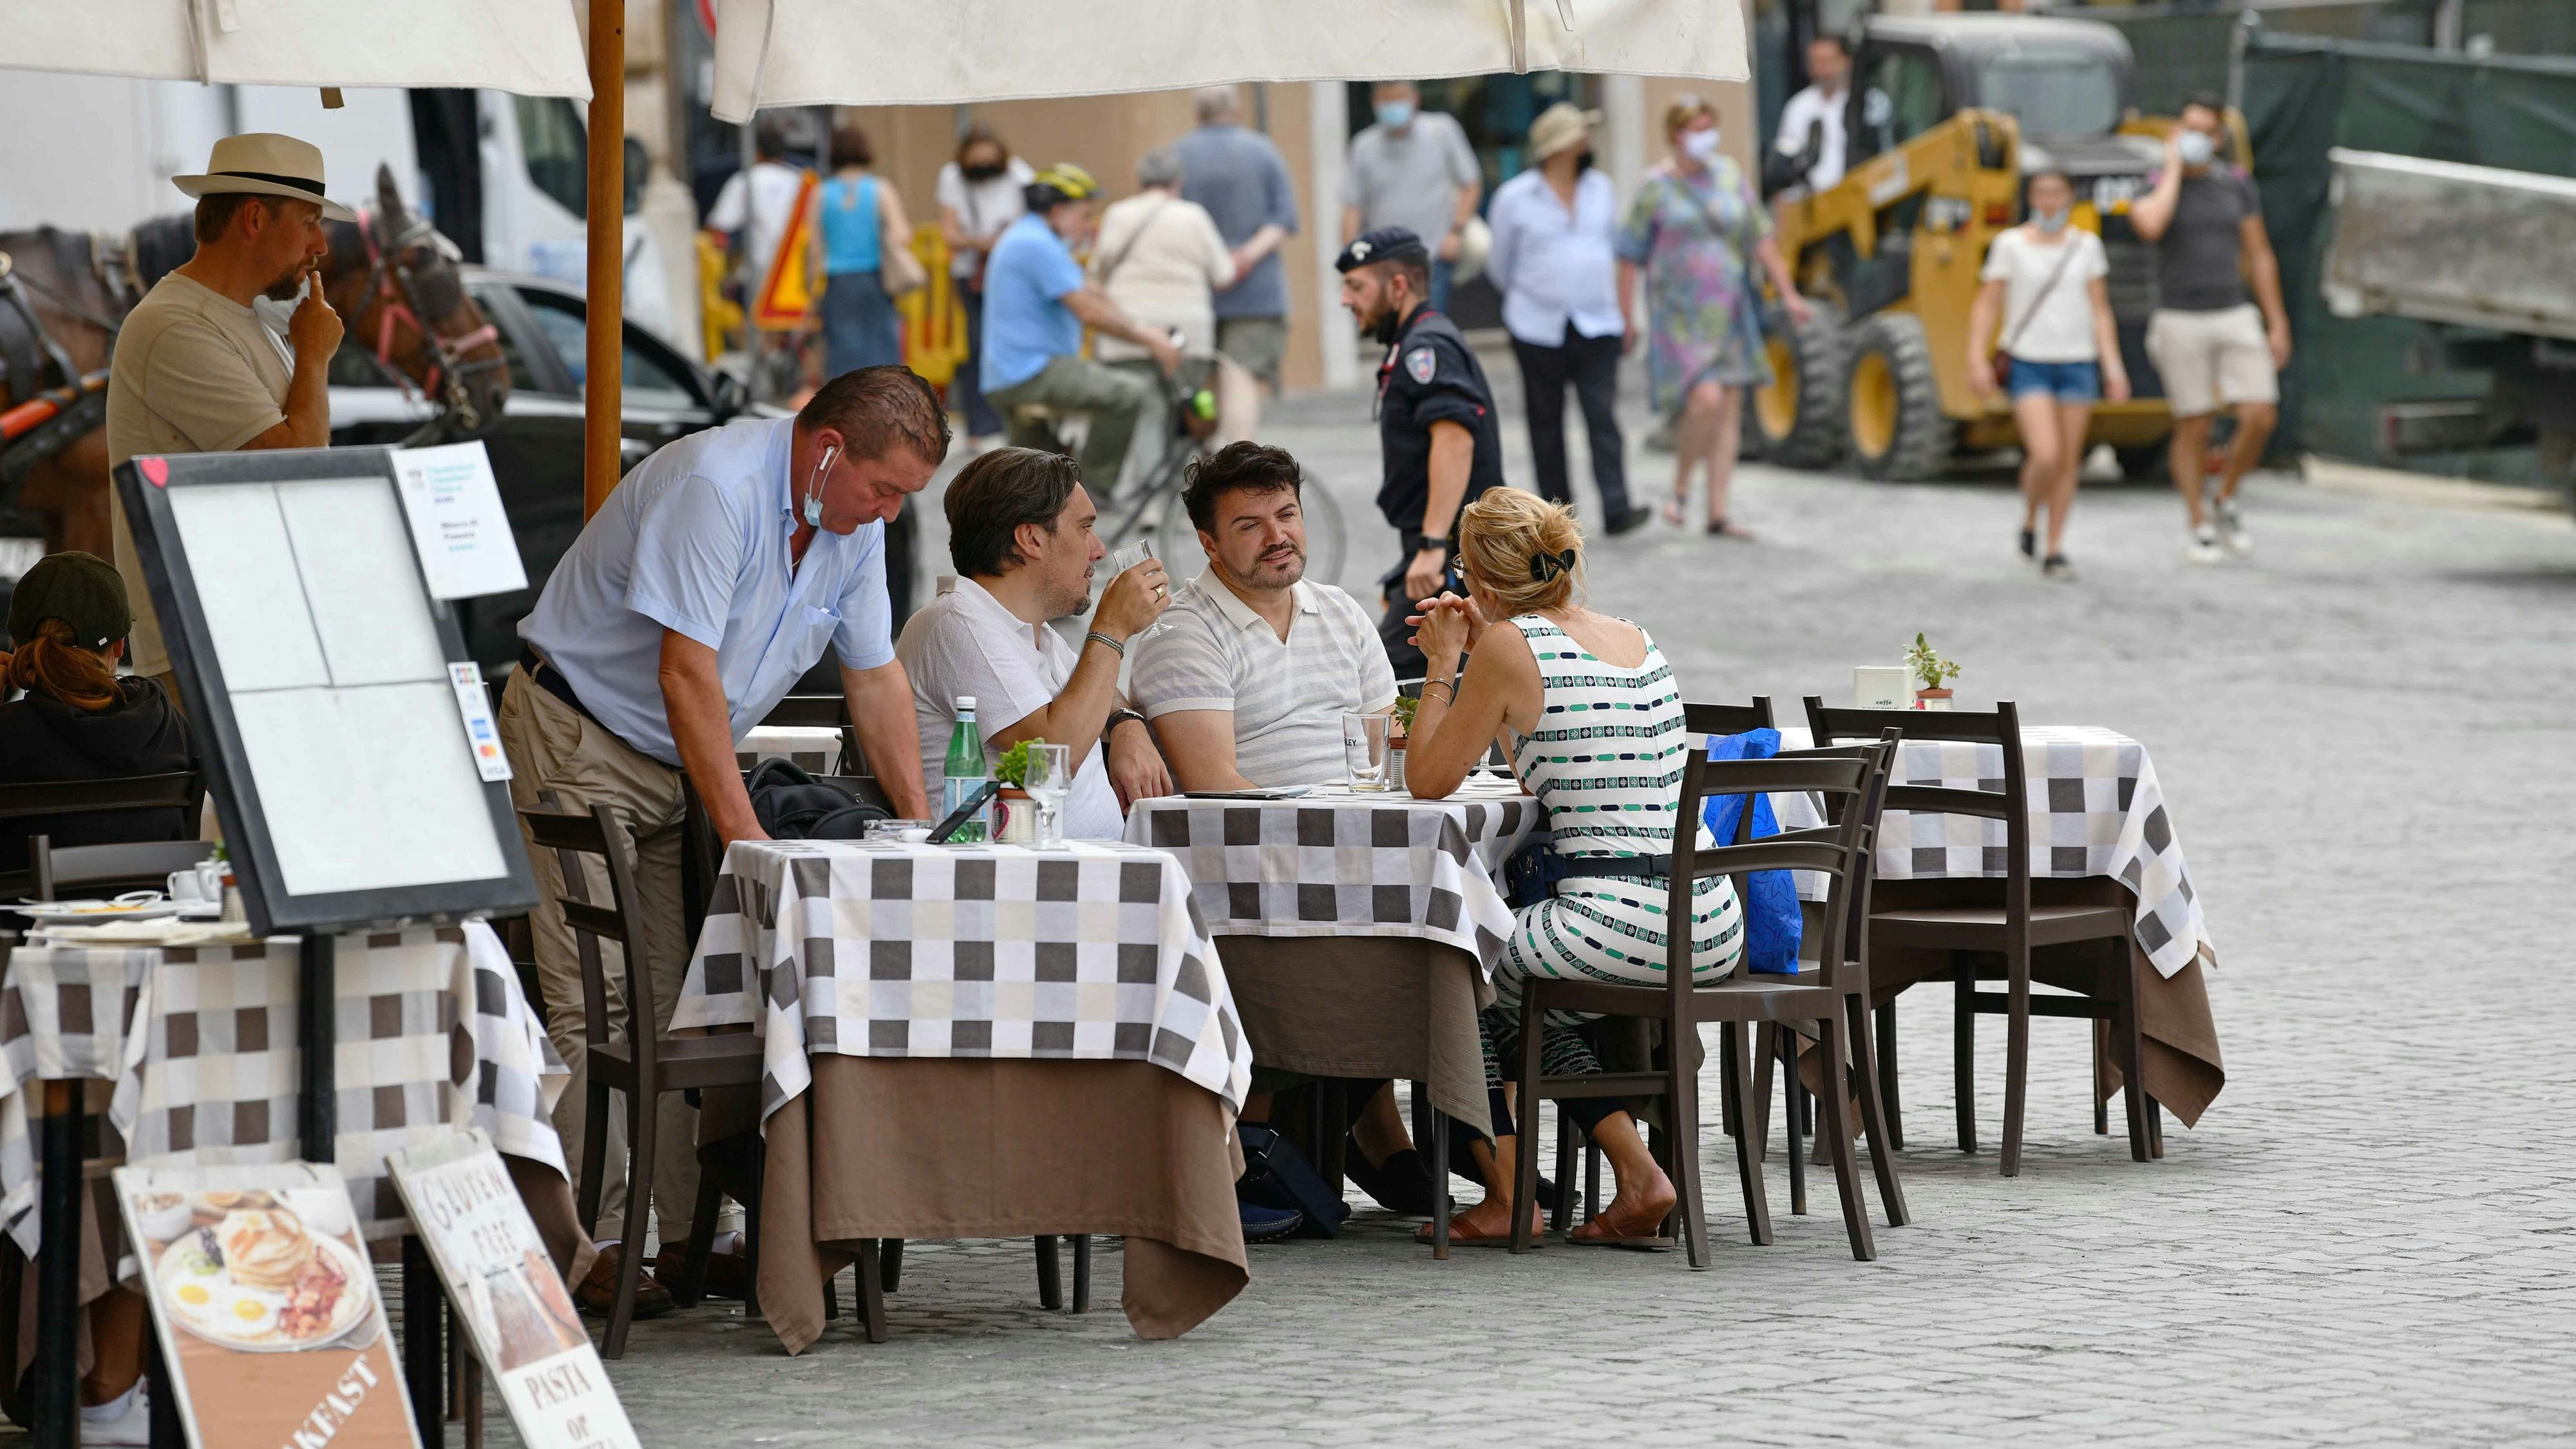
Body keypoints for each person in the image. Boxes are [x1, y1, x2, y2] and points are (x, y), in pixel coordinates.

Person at [498, 366, 945, 1312]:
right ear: (828, 453)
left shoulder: (847, 520)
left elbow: (875, 679)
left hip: (674, 752)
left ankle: (690, 1233)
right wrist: (751, 847)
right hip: (582, 728)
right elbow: (685, 676)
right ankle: (596, 1243)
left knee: (683, 1000)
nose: (892, 514)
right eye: (887, 489)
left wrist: (920, 828)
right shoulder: (716, 487)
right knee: (599, 997)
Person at [1399, 488, 1745, 1245]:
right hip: (1710, 915)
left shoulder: (1507, 646)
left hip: (1621, 920)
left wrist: (1444, 663)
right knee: (1522, 995)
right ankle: (1636, 1174)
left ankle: (1508, 1198)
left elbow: (1425, 780)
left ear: (1482, 581)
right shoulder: (1632, 635)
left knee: (1463, 968)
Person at [1127, 441, 1438, 1216]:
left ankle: (1427, 1135)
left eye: (1287, 515)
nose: (1278, 536)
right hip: (1253, 882)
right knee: (1426, 943)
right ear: (1207, 543)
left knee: (1460, 933)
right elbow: (1216, 789)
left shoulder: (1340, 613)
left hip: (1352, 854)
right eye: (1249, 525)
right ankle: (1390, 1140)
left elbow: (1379, 754)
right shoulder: (1183, 632)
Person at [0, 551, 191, 1440]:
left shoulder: (9, 734)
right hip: (149, 1027)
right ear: (122, 643)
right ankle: (117, 1389)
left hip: (21, 1033)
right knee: (134, 1156)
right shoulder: (166, 727)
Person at [104, 132, 350, 703]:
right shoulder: (175, 326)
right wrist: (313, 355)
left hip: (245, 636)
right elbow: (298, 467)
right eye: (310, 222)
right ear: (256, 218)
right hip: (205, 644)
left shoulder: (245, 320)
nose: (321, 246)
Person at [895, 447, 1173, 838]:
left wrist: (1126, 725)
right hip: (1015, 881)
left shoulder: (1030, 632)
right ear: (1031, 538)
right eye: (1085, 527)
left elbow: (1093, 687)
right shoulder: (957, 621)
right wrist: (1111, 629)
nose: (1099, 550)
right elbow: (1051, 759)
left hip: (1080, 873)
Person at [1617, 94, 1812, 538]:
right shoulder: (1654, 186)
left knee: (1729, 408)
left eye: (1710, 125)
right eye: (1697, 127)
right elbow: (1629, 254)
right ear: (1675, 135)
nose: (1707, 135)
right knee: (1703, 400)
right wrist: (1627, 317)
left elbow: (1760, 237)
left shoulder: (1729, 175)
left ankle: (1718, 512)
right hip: (1680, 317)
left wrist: (1789, 294)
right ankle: (1682, 484)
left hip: (1731, 310)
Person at [1336, 228, 1505, 678]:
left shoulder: (1426, 346)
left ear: (1398, 286)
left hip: (1451, 555)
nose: (1344, 300)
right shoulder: (1414, 342)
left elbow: (1455, 439)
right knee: (1454, 678)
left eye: (1356, 286)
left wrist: (1432, 548)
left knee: (1378, 680)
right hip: (1445, 553)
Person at [2129, 93, 2289, 564]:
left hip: (2233, 312)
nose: (2195, 137)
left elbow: (2259, 254)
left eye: (2204, 130)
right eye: (2187, 128)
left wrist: (2276, 322)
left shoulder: (2237, 186)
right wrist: (2175, 169)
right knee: (2194, 423)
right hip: (2179, 316)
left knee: (2260, 413)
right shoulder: (2155, 183)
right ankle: (2197, 522)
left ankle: (2226, 497)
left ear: (2219, 138)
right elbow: (2150, 226)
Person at [1486, 103, 1647, 534]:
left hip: (1598, 324)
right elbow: (1499, 264)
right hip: (1536, 327)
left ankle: (1617, 506)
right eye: (1580, 135)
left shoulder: (1602, 189)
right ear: (1560, 148)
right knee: (1546, 423)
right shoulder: (1515, 198)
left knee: (1602, 415)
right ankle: (1557, 519)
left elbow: (1614, 252)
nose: (1587, 142)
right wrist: (1535, 296)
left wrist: (1625, 312)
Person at [1965, 169, 2130, 582]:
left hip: (2077, 361)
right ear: (2031, 198)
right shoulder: (2011, 245)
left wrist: (2112, 366)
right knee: (2046, 453)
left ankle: (2054, 548)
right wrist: (1976, 359)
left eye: (2057, 193)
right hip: (2029, 360)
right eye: (2041, 193)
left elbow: (2100, 310)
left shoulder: (2086, 246)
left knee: (2068, 461)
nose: (2050, 201)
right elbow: (1986, 305)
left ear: (2071, 198)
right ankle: (2029, 515)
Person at [979, 163, 1184, 491]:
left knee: (1033, 484)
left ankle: (1054, 509)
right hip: (1032, 371)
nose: (1089, 226)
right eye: (1085, 215)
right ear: (1059, 210)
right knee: (1128, 393)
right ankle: (1091, 492)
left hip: (1013, 373)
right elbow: (1088, 311)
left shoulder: (1032, 237)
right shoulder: (1036, 244)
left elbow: (1092, 291)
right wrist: (1151, 342)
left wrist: (1143, 329)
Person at [1089, 148, 1247, 460]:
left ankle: (1142, 497)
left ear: (1139, 180)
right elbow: (1223, 274)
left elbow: (1096, 272)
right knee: (1191, 412)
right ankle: (1183, 488)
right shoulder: (1194, 216)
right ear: (1178, 180)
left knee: (1145, 414)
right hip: (1187, 334)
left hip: (1130, 332)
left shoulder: (1118, 214)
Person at [1175, 85, 1300, 435]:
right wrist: (1244, 256)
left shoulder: (1178, 155)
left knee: (1205, 381)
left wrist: (1216, 263)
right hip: (1257, 290)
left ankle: (1204, 462)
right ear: (1237, 107)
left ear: (1197, 111)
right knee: (1240, 376)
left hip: (1197, 290)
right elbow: (1284, 219)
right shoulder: (1263, 152)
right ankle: (1238, 463)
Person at [1340, 82, 1482, 314]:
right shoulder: (1363, 147)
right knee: (1394, 335)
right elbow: (1352, 208)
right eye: (1388, 101)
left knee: (1427, 332)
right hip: (1384, 263)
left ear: (1415, 99)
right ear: (1375, 104)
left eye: (1400, 99)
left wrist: (1456, 231)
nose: (1395, 108)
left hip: (1432, 257)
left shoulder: (1441, 131)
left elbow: (1471, 183)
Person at [936, 126, 1036, 449]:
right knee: (977, 345)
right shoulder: (952, 177)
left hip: (1009, 274)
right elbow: (949, 233)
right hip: (972, 274)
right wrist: (982, 242)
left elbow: (1032, 219)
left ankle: (1012, 423)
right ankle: (980, 424)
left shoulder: (1018, 174)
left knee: (1011, 344)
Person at [810, 122, 913, 377]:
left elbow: (814, 248)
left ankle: (846, 412)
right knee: (882, 355)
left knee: (843, 356)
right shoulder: (880, 189)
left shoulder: (821, 193)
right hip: (875, 279)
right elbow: (902, 235)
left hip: (837, 283)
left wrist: (811, 289)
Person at [708, 120, 809, 311]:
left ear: (755, 152)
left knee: (761, 332)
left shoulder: (746, 181)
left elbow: (718, 229)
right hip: (799, 273)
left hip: (762, 274)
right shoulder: (801, 179)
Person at [1773, 34, 1853, 196]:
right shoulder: (1797, 108)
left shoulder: (1869, 103)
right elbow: (1784, 166)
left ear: (1846, 61)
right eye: (1817, 61)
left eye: (1829, 60)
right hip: (1811, 204)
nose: (1824, 68)